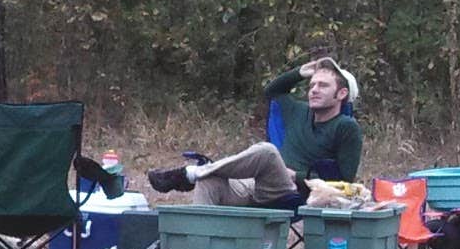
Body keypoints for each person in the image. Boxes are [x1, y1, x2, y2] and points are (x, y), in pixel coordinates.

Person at [150, 58, 362, 204]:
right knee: (210, 182)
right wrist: (299, 73)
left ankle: (191, 173)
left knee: (268, 152)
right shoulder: (299, 111)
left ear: (342, 93)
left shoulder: (346, 127)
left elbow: (345, 182)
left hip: (296, 192)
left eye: (323, 86)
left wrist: (296, 176)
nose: (314, 90)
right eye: (312, 85)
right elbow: (272, 91)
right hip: (259, 185)